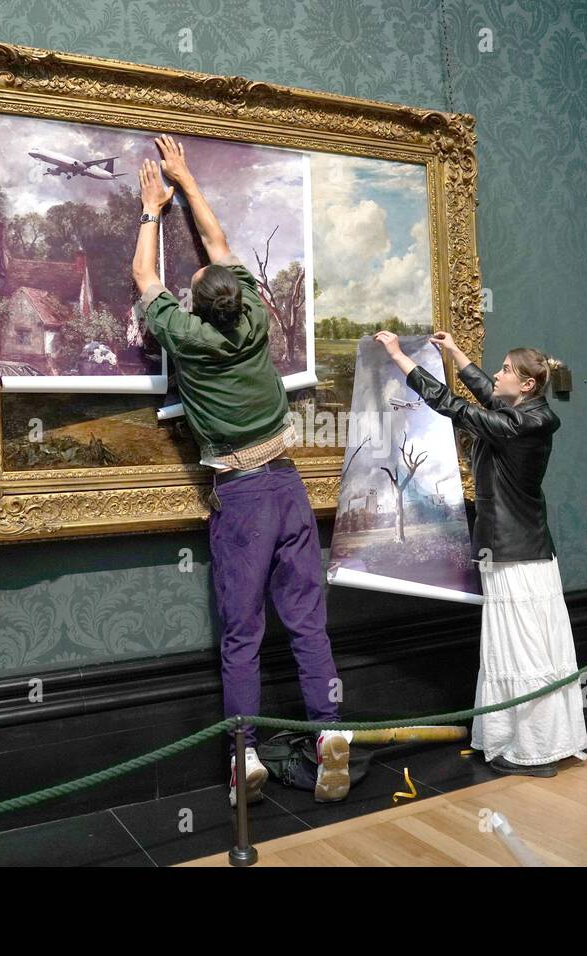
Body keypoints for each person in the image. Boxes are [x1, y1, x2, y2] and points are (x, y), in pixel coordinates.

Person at [132, 135, 352, 807]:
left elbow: (146, 281)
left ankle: (245, 755)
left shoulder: (190, 338)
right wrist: (189, 181)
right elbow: (221, 246)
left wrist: (150, 210)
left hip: (244, 498)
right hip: (288, 486)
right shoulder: (253, 313)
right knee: (308, 624)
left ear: (198, 307)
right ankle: (330, 734)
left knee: (242, 633)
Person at [373, 329, 587, 775]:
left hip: (515, 556)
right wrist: (453, 351)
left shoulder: (519, 425)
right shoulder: (527, 415)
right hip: (523, 551)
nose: (497, 373)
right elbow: (488, 394)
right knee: (528, 650)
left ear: (526, 385)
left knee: (521, 652)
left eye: (506, 369)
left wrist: (398, 356)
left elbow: (452, 406)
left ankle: (531, 750)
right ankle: (535, 743)